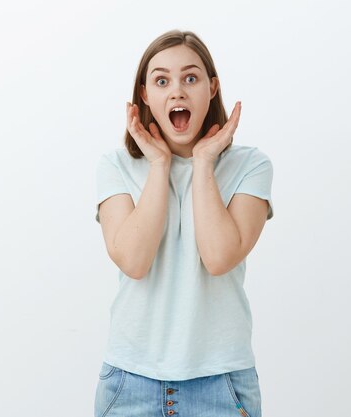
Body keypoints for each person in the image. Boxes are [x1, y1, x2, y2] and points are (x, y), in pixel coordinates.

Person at [93, 29, 274, 417]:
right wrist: (160, 165)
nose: (177, 91)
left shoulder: (250, 166)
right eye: (162, 81)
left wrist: (204, 162)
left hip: (222, 383)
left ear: (212, 88)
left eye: (190, 78)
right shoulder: (116, 166)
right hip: (130, 382)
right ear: (145, 95)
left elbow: (219, 257)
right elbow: (134, 261)